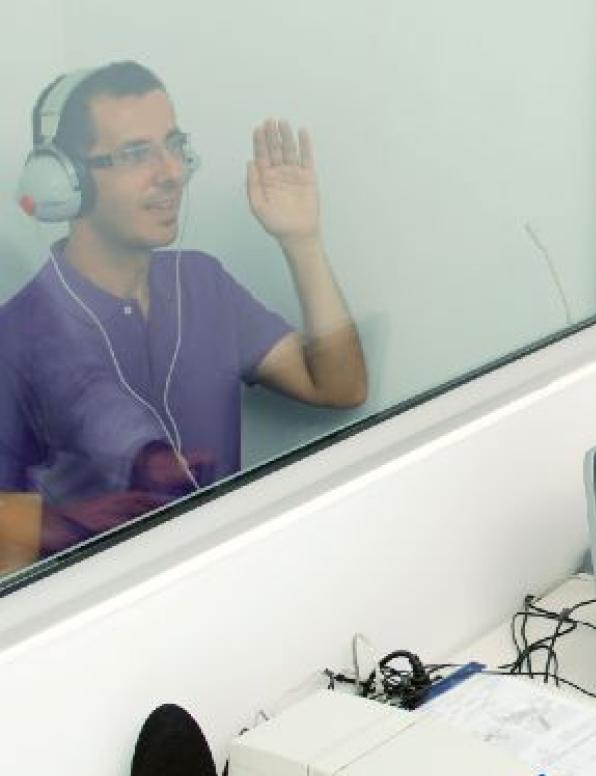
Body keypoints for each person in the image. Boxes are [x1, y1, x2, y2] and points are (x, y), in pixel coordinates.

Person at [0, 61, 366, 565]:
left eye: (173, 145)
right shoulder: (16, 334)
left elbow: (339, 386)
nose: (171, 173)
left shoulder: (201, 282)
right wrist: (74, 526)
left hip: (225, 587)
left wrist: (301, 241)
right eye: (135, 154)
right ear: (64, 181)